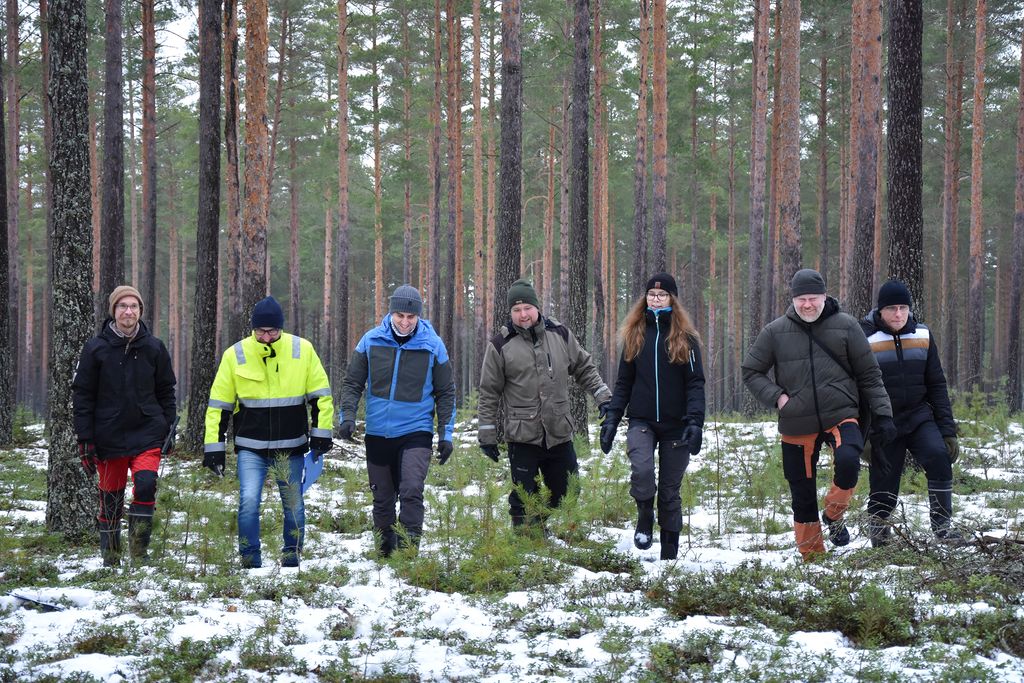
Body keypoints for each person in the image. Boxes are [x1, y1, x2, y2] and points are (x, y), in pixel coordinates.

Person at [742, 269, 896, 560]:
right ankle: (813, 558)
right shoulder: (775, 331)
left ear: (825, 296)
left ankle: (834, 513)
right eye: (801, 299)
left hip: (841, 413)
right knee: (801, 492)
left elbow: (870, 375)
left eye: (813, 298)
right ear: (793, 300)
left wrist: (884, 415)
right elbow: (751, 371)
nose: (807, 305)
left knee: (849, 461)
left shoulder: (847, 326)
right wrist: (778, 397)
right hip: (796, 420)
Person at [204, 296, 334, 569]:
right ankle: (250, 560)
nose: (266, 337)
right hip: (251, 446)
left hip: (291, 445)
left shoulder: (302, 350)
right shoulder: (235, 355)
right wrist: (214, 448)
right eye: (261, 331)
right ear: (253, 329)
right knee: (249, 502)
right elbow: (219, 406)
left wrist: (321, 435)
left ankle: (291, 557)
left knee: (293, 504)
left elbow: (321, 396)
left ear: (281, 328)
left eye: (272, 331)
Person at [478, 278, 612, 531]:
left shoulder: (559, 334)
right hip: (522, 435)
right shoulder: (500, 345)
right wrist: (486, 434)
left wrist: (603, 396)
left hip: (558, 430)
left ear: (537, 307)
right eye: (516, 310)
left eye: (527, 308)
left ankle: (540, 526)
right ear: (510, 313)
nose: (523, 315)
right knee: (524, 495)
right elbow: (489, 393)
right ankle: (524, 540)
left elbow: (584, 367)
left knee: (566, 489)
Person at [339, 285, 456, 557]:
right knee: (382, 497)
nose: (405, 322)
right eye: (400, 315)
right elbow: (352, 382)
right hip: (378, 432)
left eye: (411, 317)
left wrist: (446, 434)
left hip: (416, 431)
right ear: (391, 313)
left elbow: (446, 392)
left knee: (412, 490)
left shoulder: (432, 345)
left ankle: (407, 553)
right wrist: (347, 416)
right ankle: (384, 552)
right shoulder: (370, 340)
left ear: (419, 317)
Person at [599, 274, 705, 560]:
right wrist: (612, 418)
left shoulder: (687, 338)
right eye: (651, 295)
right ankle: (645, 514)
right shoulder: (635, 334)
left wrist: (695, 422)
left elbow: (695, 383)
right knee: (643, 471)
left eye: (662, 295)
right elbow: (623, 382)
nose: (656, 299)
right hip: (642, 421)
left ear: (672, 299)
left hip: (676, 425)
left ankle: (669, 552)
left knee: (670, 490)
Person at [72, 285, 177, 566]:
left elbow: (167, 390)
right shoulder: (95, 349)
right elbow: (82, 396)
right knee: (111, 500)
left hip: (147, 433)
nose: (128, 311)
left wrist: (168, 427)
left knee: (145, 484)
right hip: (109, 436)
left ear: (141, 311)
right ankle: (111, 558)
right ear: (113, 311)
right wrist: (85, 439)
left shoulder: (154, 347)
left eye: (133, 306)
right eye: (122, 306)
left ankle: (140, 555)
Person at [860, 280, 962, 545]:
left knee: (939, 457)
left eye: (903, 307)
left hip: (919, 417)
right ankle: (880, 532)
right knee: (884, 476)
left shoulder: (923, 335)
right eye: (892, 308)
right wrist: (865, 436)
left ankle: (943, 528)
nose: (898, 314)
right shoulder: (865, 338)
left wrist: (948, 432)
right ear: (880, 310)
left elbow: (937, 385)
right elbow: (856, 392)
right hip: (884, 422)